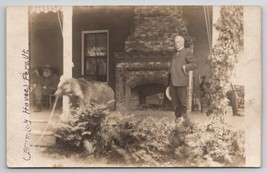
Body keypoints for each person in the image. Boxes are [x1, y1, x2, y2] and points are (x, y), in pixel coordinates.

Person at [168, 35, 198, 124]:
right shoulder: (174, 54)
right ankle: (178, 120)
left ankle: (186, 122)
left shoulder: (187, 52)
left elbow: (195, 64)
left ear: (182, 43)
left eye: (178, 42)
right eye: (175, 42)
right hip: (172, 82)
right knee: (175, 104)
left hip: (181, 82)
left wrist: (185, 67)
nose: (176, 44)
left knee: (183, 103)